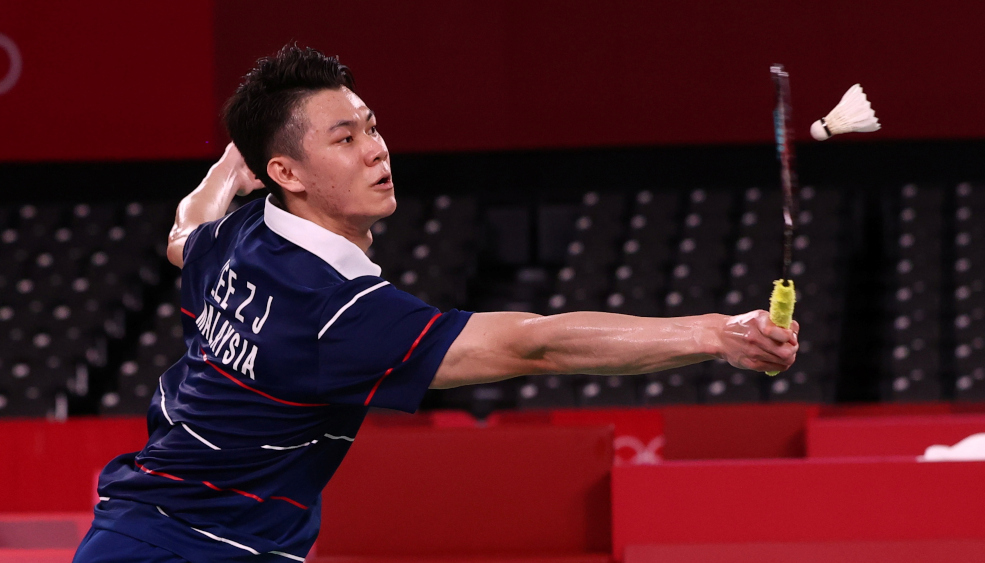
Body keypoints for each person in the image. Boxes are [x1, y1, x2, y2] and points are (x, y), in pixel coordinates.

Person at [74, 44, 798, 562]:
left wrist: (230, 169)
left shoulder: (238, 237)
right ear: (287, 171)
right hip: (200, 546)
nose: (376, 149)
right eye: (345, 137)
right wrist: (713, 333)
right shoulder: (337, 312)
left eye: (372, 126)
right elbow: (533, 343)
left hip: (140, 522)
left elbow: (182, 230)